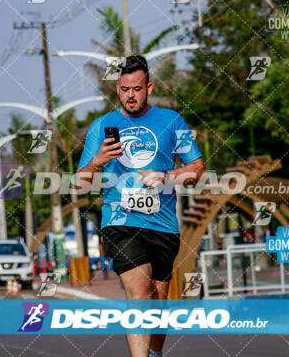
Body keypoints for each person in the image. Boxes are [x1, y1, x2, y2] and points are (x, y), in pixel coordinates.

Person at [77, 55, 205, 357]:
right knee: (138, 293)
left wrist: (167, 176)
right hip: (120, 222)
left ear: (148, 87)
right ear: (117, 89)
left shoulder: (171, 121)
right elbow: (80, 183)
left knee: (158, 299)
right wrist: (97, 161)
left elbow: (197, 168)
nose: (130, 95)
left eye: (136, 88)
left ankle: (154, 353)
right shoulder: (102, 126)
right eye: (124, 89)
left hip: (162, 223)